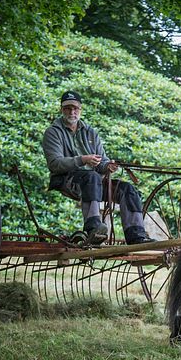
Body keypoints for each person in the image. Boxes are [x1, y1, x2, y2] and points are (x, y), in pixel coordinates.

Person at [42, 91, 154, 245]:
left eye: (75, 108)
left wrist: (108, 165)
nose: (72, 112)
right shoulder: (53, 132)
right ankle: (94, 228)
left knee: (127, 189)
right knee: (92, 177)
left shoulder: (91, 132)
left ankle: (136, 236)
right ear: (62, 110)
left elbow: (101, 161)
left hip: (93, 182)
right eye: (67, 108)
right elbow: (55, 164)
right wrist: (83, 160)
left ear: (80, 109)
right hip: (67, 179)